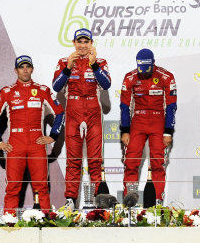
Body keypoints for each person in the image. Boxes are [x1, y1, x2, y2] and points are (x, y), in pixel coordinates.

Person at [0, 55, 65, 213]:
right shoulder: (7, 91)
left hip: (37, 143)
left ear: (32, 69)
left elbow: (60, 113)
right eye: (21, 67)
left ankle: (46, 221)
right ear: (15, 70)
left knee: (42, 186)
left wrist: (53, 136)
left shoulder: (43, 90)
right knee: (13, 187)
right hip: (16, 143)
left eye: (28, 67)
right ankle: (9, 222)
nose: (25, 70)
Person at [52, 28, 111, 208]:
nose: (83, 45)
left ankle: (98, 199)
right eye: (80, 41)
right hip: (73, 111)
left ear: (91, 43)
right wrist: (69, 67)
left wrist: (94, 65)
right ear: (74, 43)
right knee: (73, 159)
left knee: (95, 159)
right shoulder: (64, 61)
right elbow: (56, 86)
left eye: (86, 42)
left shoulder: (100, 61)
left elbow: (107, 84)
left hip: (93, 110)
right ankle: (70, 199)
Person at [120, 49, 177, 205]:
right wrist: (125, 130)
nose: (143, 73)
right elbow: (125, 106)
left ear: (153, 63)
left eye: (147, 69)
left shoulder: (166, 76)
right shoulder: (130, 77)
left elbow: (171, 106)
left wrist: (168, 131)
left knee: (158, 163)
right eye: (141, 69)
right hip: (138, 120)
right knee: (131, 162)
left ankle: (157, 200)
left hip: (159, 120)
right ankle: (129, 200)